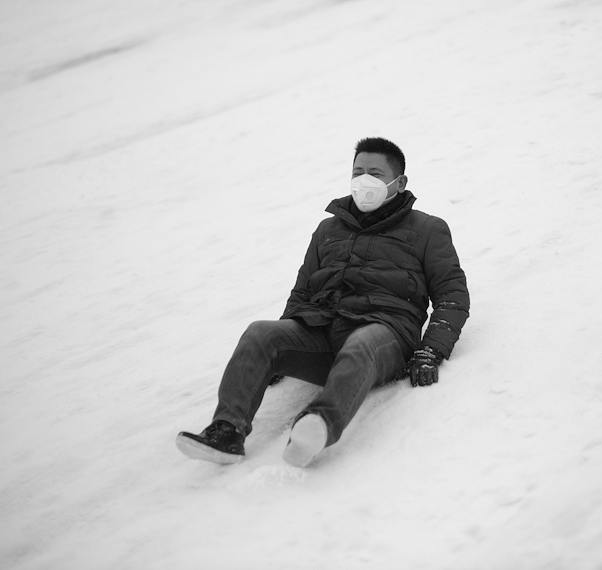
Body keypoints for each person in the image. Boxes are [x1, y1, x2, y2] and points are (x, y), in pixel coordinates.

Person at [176, 137, 470, 468]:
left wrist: (431, 349)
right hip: (323, 329)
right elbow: (302, 291)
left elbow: (452, 294)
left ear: (399, 182)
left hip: (384, 335)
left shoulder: (428, 229)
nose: (364, 180)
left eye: (374, 172)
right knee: (260, 333)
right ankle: (227, 432)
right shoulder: (328, 229)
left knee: (363, 342)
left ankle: (316, 427)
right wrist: (277, 350)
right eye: (357, 172)